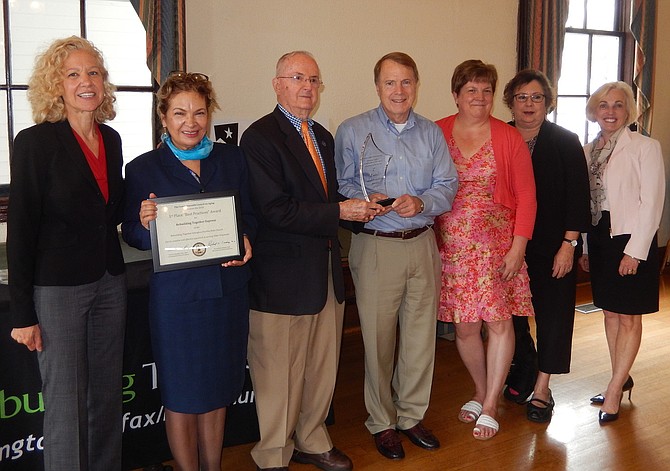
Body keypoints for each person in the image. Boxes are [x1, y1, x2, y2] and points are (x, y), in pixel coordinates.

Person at [240, 51, 379, 471]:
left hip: (324, 273)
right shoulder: (260, 137)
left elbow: (328, 198)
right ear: (277, 84)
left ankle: (313, 440)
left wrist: (365, 206)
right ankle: (273, 456)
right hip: (280, 279)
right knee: (278, 376)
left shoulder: (322, 135)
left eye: (314, 79)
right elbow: (274, 209)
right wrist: (341, 212)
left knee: (321, 369)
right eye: (298, 77)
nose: (307, 87)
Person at [122, 72, 256, 470]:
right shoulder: (143, 167)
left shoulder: (231, 158)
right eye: (179, 113)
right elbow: (132, 232)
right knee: (180, 395)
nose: (191, 122)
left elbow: (248, 215)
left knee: (217, 390)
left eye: (199, 112)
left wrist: (246, 239)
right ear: (163, 117)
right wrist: (145, 225)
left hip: (227, 294)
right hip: (177, 302)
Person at [7, 36, 126, 470]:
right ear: (56, 85)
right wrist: (23, 312)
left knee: (106, 397)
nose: (86, 82)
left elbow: (111, 208)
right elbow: (21, 230)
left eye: (93, 72)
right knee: (65, 403)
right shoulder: (35, 143)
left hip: (110, 282)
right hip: (58, 290)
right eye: (73, 74)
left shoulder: (111, 139)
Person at [335, 52, 458, 460]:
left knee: (421, 338)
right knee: (378, 339)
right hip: (375, 246)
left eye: (406, 82)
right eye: (390, 83)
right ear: (377, 87)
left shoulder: (431, 133)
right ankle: (382, 422)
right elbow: (342, 186)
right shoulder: (352, 130)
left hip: (422, 242)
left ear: (416, 84)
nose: (398, 91)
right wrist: (371, 201)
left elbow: (448, 185)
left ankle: (410, 415)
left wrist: (421, 203)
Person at [434, 60, 536, 440]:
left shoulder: (508, 138)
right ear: (456, 95)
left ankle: (491, 402)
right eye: (471, 90)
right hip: (453, 248)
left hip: (497, 247)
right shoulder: (437, 131)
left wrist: (518, 247)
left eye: (486, 90)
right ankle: (479, 389)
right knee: (464, 327)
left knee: (499, 323)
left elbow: (527, 197)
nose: (479, 97)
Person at [500, 69, 591, 422]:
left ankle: (542, 387)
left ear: (548, 104)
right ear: (510, 101)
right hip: (506, 247)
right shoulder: (500, 137)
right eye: (521, 97)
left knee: (553, 317)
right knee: (510, 318)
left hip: (555, 247)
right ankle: (524, 366)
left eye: (537, 97)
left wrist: (570, 244)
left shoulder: (565, 141)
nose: (529, 104)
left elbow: (578, 198)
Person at [578, 81, 665, 424]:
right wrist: (585, 245)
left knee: (629, 316)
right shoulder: (586, 151)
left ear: (628, 111)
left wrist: (636, 252)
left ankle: (614, 390)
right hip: (600, 238)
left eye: (617, 105)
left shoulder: (646, 147)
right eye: (603, 105)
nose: (610, 111)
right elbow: (587, 204)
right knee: (610, 314)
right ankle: (620, 377)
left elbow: (652, 202)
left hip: (631, 238)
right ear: (594, 111)